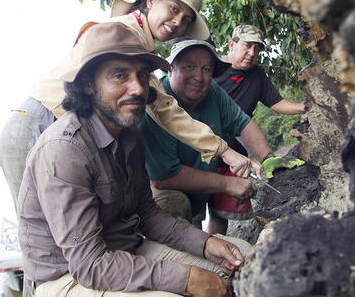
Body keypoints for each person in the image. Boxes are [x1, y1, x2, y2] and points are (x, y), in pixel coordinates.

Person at [18, 22, 252, 297]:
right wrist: (183, 278)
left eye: (142, 76)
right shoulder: (64, 149)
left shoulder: (130, 134)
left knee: (242, 258)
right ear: (88, 85)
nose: (138, 89)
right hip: (69, 275)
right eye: (119, 76)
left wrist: (205, 242)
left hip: (124, 249)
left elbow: (148, 214)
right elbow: (89, 264)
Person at [0, 0, 256, 210]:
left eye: (186, 19)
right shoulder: (124, 34)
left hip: (62, 130)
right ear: (152, 0)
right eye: (174, 9)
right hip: (37, 122)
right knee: (39, 223)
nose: (177, 22)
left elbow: (161, 107)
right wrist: (225, 151)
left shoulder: (139, 41)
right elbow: (165, 109)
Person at [140, 38, 273, 234]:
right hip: (160, 195)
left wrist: (269, 159)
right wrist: (227, 184)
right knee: (175, 203)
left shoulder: (212, 92)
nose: (199, 77)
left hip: (200, 182)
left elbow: (241, 123)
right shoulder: (153, 106)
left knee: (204, 221)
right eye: (189, 67)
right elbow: (163, 178)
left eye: (206, 69)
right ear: (170, 69)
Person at [210, 24, 306, 234]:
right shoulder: (211, 71)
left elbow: (276, 103)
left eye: (257, 48)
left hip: (235, 162)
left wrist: (306, 108)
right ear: (232, 45)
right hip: (202, 154)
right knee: (193, 212)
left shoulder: (257, 76)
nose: (252, 53)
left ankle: (214, 257)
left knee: (221, 214)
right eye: (247, 46)